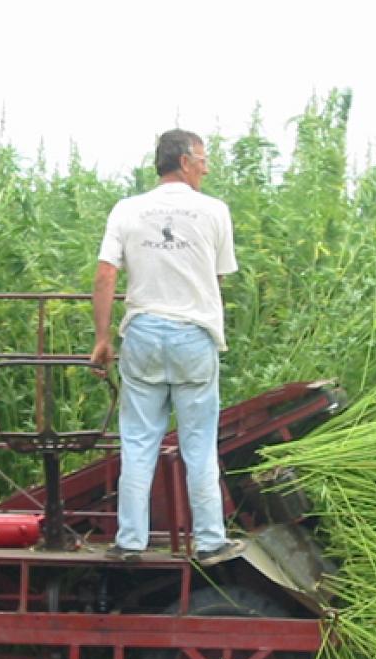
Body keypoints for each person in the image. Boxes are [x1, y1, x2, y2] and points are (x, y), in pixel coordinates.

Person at [90, 129, 244, 565]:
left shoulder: (127, 210)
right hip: (194, 335)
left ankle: (131, 540)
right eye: (202, 159)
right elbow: (217, 279)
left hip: (141, 333)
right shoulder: (214, 211)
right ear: (182, 160)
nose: (206, 168)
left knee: (138, 441)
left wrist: (103, 339)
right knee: (198, 442)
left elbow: (105, 275)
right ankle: (211, 539)